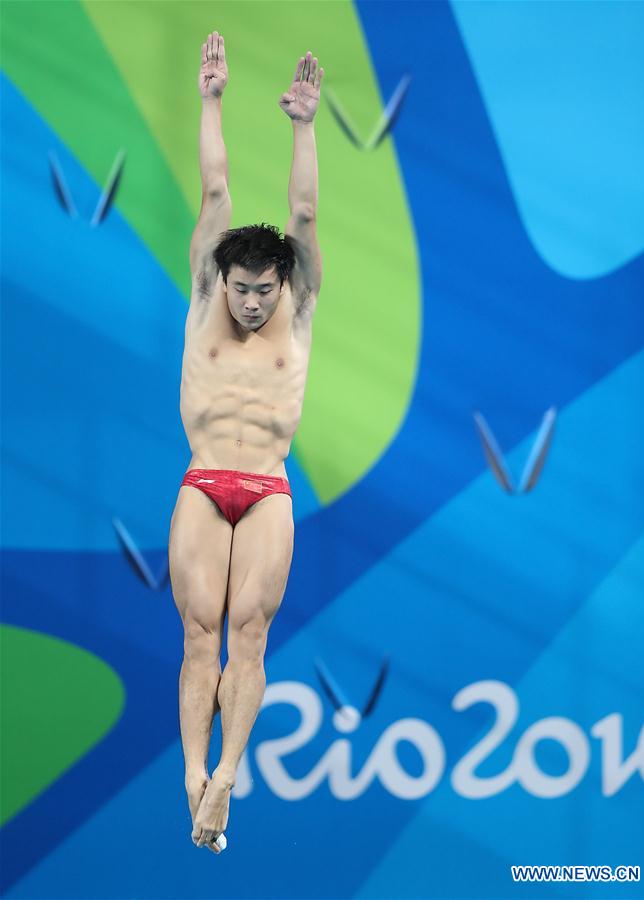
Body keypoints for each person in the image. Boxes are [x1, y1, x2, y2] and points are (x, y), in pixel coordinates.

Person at [168, 31, 324, 853]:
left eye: (266, 291)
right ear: (219, 280)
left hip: (266, 488)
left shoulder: (296, 307)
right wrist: (211, 98)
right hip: (203, 482)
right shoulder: (204, 296)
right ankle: (194, 779)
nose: (255, 304)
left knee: (251, 636)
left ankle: (228, 774)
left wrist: (303, 124)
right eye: (243, 291)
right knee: (199, 637)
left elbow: (301, 216)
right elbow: (217, 185)